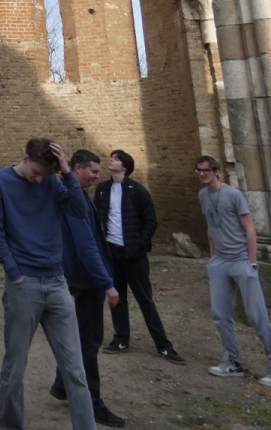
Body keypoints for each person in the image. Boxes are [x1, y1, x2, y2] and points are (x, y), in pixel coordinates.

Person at [0, 136, 121, 430]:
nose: (37, 179)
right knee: (16, 366)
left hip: (57, 283)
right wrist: (14, 272)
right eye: (35, 172)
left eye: (44, 174)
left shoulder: (53, 181)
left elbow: (80, 211)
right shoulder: (1, 182)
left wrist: (63, 172)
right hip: (24, 284)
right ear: (24, 157)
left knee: (76, 372)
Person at [49, 149, 124, 427]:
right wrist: (106, 283)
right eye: (92, 171)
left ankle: (62, 384)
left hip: (80, 276)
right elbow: (86, 244)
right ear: (77, 168)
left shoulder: (74, 194)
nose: (96, 176)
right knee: (89, 343)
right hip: (87, 279)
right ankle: (92, 403)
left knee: (80, 337)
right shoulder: (74, 197)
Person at [93, 150, 184, 362]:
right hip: (112, 253)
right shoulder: (102, 189)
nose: (111, 160)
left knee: (145, 299)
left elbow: (150, 221)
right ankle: (121, 339)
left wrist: (139, 246)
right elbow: (97, 217)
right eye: (112, 157)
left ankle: (163, 345)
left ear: (125, 167)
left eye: (116, 158)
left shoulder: (138, 191)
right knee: (116, 298)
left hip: (134, 255)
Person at [195, 155, 271, 386]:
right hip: (220, 262)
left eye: (206, 170)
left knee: (257, 316)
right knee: (220, 314)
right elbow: (210, 225)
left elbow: (250, 228)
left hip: (241, 261)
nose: (202, 174)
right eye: (199, 170)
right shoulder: (202, 195)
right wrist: (213, 258)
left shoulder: (233, 195)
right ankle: (231, 361)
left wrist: (251, 262)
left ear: (217, 171)